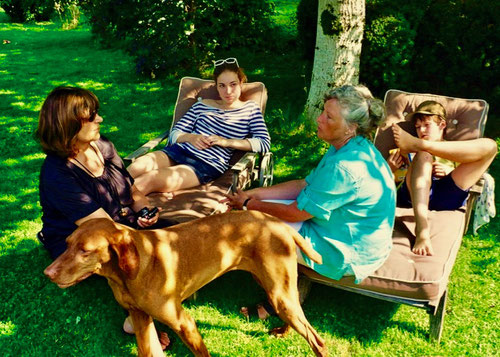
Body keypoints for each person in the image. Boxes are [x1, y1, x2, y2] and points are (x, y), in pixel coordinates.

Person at [224, 84, 396, 319]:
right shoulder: (348, 147)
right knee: (260, 218)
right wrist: (258, 193)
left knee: (254, 232)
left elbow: (296, 213)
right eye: (323, 112)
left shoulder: (346, 167)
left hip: (347, 251)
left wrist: (248, 205)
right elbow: (305, 185)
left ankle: (279, 301)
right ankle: (292, 277)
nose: (318, 119)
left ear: (351, 127)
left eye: (329, 117)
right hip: (342, 231)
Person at [36, 86, 170, 348]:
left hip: (120, 222)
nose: (100, 119)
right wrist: (143, 238)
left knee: (176, 235)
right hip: (80, 239)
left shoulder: (103, 145)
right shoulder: (57, 173)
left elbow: (132, 190)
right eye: (92, 116)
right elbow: (101, 229)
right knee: (135, 260)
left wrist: (144, 211)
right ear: (68, 124)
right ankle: (137, 315)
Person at [127, 57, 271, 194]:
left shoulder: (250, 109)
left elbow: (264, 143)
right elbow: (175, 133)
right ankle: (108, 202)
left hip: (206, 164)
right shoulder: (202, 105)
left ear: (241, 82)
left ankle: (112, 209)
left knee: (150, 179)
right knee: (135, 167)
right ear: (216, 86)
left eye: (233, 84)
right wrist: (191, 137)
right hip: (178, 151)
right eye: (222, 86)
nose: (228, 91)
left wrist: (226, 142)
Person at [389, 101, 497, 256]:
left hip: (446, 194)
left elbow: (474, 170)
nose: (422, 130)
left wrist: (450, 170)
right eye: (418, 127)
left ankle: (421, 145)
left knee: (491, 146)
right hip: (413, 196)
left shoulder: (457, 150)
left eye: (427, 124)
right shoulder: (404, 151)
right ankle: (422, 229)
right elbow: (381, 184)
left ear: (442, 124)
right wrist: (389, 168)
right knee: (423, 154)